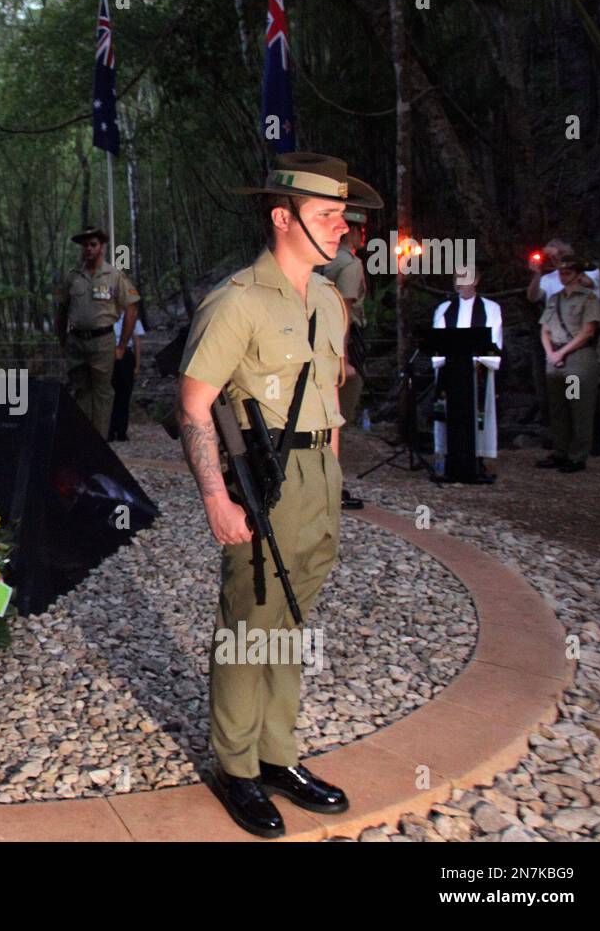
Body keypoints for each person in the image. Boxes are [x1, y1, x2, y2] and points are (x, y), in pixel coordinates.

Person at [178, 152, 382, 838]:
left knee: (291, 623)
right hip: (264, 480)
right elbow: (194, 406)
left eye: (344, 218)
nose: (343, 230)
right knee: (248, 625)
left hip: (318, 478)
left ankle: (277, 755)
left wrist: (333, 475)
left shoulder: (327, 298)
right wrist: (216, 497)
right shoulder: (235, 300)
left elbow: (328, 400)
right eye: (328, 216)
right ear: (282, 217)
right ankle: (235, 767)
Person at [56, 226, 140, 435]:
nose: (89, 249)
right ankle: (83, 438)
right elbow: (62, 309)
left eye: (93, 244)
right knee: (80, 390)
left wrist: (122, 345)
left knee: (102, 392)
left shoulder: (115, 276)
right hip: (76, 340)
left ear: (102, 247)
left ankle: (100, 441)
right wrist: (62, 341)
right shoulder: (73, 277)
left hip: (103, 341)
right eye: (85, 245)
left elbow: (131, 308)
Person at [318, 209, 369, 508]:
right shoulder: (349, 265)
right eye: (361, 231)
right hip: (340, 347)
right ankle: (329, 487)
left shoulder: (324, 261)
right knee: (337, 419)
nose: (363, 237)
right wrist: (344, 360)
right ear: (352, 231)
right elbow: (344, 314)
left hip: (321, 345)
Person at [431, 269, 503, 476]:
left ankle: (476, 458)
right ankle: (449, 458)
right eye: (457, 279)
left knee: (478, 415)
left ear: (476, 280)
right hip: (451, 371)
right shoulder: (445, 309)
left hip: (476, 371)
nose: (461, 283)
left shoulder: (491, 308)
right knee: (448, 414)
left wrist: (478, 358)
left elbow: (493, 337)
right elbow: (439, 338)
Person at [538, 260, 600, 473]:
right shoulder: (555, 299)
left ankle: (576, 456)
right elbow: (545, 329)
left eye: (568, 273)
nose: (563, 276)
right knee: (557, 407)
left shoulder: (588, 298)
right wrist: (550, 353)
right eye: (561, 273)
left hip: (576, 359)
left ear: (577, 274)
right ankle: (560, 451)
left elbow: (588, 331)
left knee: (576, 405)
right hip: (555, 358)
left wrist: (561, 353)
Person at [108, 302, 145, 442]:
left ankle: (122, 431)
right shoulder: (106, 316)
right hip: (109, 355)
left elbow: (137, 342)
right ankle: (109, 430)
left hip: (126, 355)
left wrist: (137, 364)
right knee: (109, 393)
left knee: (124, 394)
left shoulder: (132, 316)